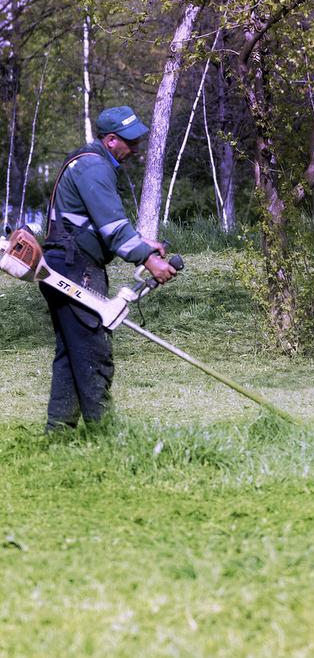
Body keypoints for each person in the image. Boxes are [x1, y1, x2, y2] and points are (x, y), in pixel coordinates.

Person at [41, 106, 177, 430]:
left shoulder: (86, 162)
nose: (136, 148)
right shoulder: (94, 167)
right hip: (76, 268)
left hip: (63, 263)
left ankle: (59, 432)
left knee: (71, 353)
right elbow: (113, 228)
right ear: (111, 140)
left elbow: (92, 223)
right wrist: (149, 259)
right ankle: (103, 432)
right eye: (131, 141)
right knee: (92, 351)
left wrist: (142, 241)